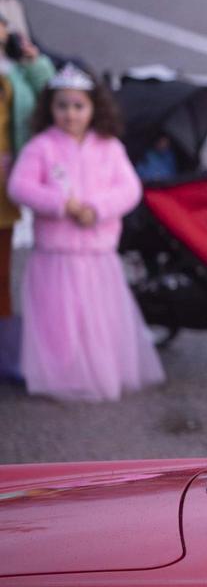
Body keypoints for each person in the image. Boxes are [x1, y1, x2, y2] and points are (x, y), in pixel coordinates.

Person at [7, 63, 164, 401]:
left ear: (94, 108)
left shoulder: (108, 147)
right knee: (58, 321)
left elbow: (129, 188)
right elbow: (19, 186)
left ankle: (98, 371)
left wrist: (97, 208)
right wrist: (61, 204)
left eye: (79, 106)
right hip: (56, 254)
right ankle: (62, 375)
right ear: (50, 108)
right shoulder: (41, 146)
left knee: (98, 320)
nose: (70, 114)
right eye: (62, 106)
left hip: (97, 253)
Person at [0, 0, 58, 381]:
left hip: (5, 152)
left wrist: (29, 56)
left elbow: (41, 78)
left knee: (1, 266)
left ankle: (5, 354)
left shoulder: (8, 1)